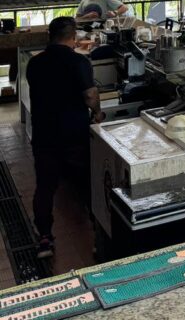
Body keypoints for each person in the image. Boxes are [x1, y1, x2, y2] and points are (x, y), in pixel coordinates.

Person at [26, 17, 102, 258]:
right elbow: (90, 95)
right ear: (73, 36)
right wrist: (97, 112)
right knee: (88, 184)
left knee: (45, 187)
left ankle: (45, 239)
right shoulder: (79, 61)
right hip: (74, 133)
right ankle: (98, 237)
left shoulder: (34, 63)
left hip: (44, 134)